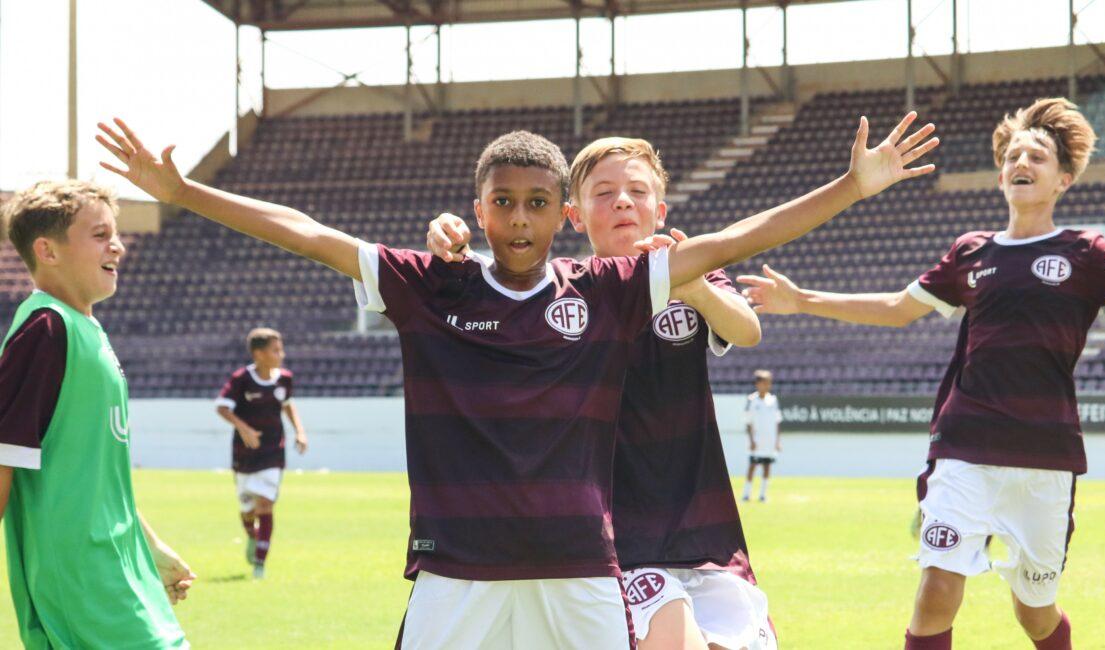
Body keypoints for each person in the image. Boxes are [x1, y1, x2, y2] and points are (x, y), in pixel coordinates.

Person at [97, 112, 935, 649]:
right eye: (507, 202)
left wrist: (851, 187)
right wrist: (182, 193)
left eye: (538, 201)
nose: (523, 219)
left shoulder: (602, 292)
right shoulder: (433, 283)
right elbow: (307, 232)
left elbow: (730, 245)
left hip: (580, 568)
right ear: (482, 207)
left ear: (553, 213)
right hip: (457, 569)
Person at [738, 97, 1105, 650]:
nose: (1023, 162)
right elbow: (898, 308)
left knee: (1035, 612)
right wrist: (802, 301)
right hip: (965, 445)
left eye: (1037, 156)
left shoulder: (1087, 252)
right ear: (1000, 175)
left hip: (1045, 458)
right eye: (1015, 154)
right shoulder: (972, 251)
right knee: (936, 590)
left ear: (1063, 178)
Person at [425, 136, 776, 649]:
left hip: (706, 534)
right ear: (574, 215)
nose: (623, 202)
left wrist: (692, 284)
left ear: (661, 208)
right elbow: (495, 281)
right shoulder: (566, 290)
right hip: (618, 540)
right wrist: (450, 239)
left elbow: (747, 330)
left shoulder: (695, 272)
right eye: (604, 192)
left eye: (637, 190)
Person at [0, 180, 193, 649]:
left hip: (118, 572)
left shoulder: (87, 331)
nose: (119, 246)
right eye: (100, 234)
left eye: (116, 233)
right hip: (82, 582)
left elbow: (94, 475)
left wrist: (149, 549)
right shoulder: (45, 330)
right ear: (47, 250)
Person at [215, 326, 308, 579]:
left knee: (265, 504)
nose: (282, 354)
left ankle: (259, 564)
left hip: (272, 452)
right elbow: (222, 407)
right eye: (275, 350)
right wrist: (244, 429)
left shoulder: (284, 378)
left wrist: (299, 431)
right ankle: (251, 536)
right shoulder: (241, 379)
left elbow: (287, 405)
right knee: (247, 508)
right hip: (245, 454)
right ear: (258, 354)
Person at [744, 369, 782, 503]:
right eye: (764, 383)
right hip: (757, 440)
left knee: (767, 466)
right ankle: (746, 494)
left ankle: (762, 494)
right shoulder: (752, 400)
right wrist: (751, 440)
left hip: (769, 440)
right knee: (753, 465)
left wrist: (777, 441)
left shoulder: (773, 400)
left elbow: (777, 422)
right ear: (757, 384)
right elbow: (748, 423)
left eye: (768, 383)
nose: (766, 386)